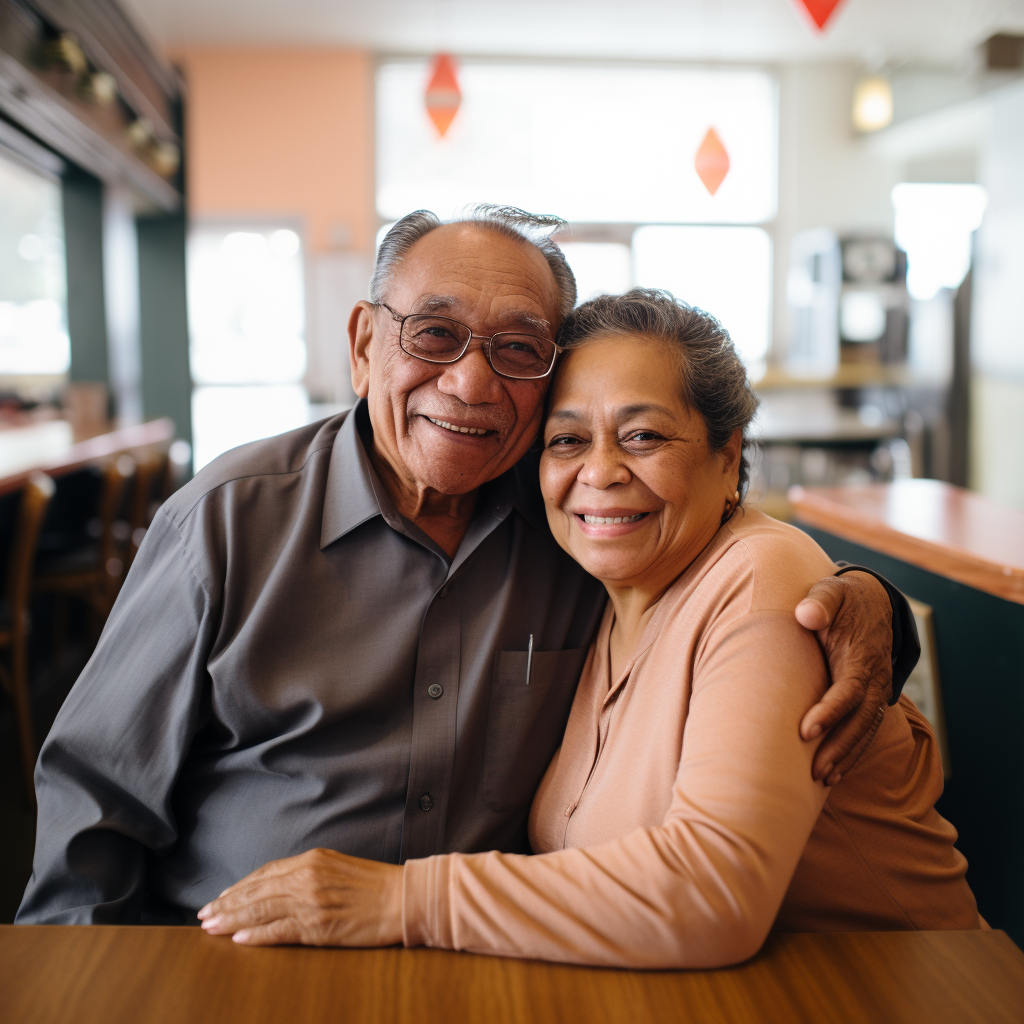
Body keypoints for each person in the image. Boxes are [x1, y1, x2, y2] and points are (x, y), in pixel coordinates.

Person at [18, 209, 914, 926]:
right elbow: (95, 802)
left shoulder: (573, 518)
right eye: (435, 334)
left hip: (501, 967)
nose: (473, 384)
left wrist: (871, 607)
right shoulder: (226, 521)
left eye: (519, 350)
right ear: (366, 345)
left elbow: (729, 564)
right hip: (237, 958)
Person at [198, 291, 977, 966]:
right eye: (567, 440)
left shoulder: (760, 577)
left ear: (726, 454)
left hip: (892, 989)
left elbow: (713, 891)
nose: (599, 472)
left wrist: (400, 902)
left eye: (642, 436)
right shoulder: (597, 596)